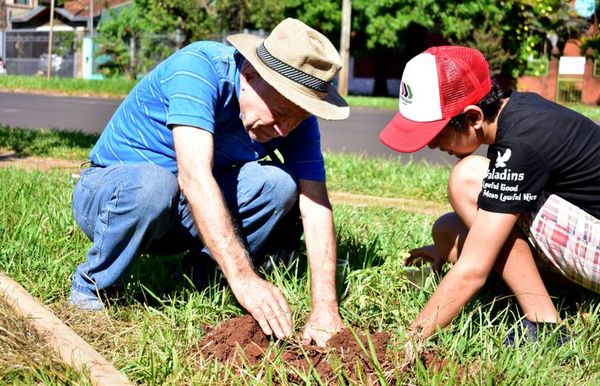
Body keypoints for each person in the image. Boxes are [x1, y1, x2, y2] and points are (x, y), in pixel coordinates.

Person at [70, 18, 349, 347]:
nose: (285, 130)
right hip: (111, 196)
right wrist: (245, 279)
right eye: (280, 112)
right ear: (250, 74)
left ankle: (200, 276)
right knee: (154, 185)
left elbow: (316, 205)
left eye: (296, 118)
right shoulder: (198, 69)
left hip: (180, 209)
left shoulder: (293, 118)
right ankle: (94, 288)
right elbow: (194, 177)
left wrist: (325, 308)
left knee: (277, 185)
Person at [379, 46, 600, 353]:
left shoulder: (523, 140)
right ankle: (565, 296)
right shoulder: (516, 112)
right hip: (587, 239)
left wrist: (409, 342)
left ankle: (546, 325)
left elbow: (473, 269)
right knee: (448, 231)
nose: (431, 145)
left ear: (473, 117)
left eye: (436, 132)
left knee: (468, 178)